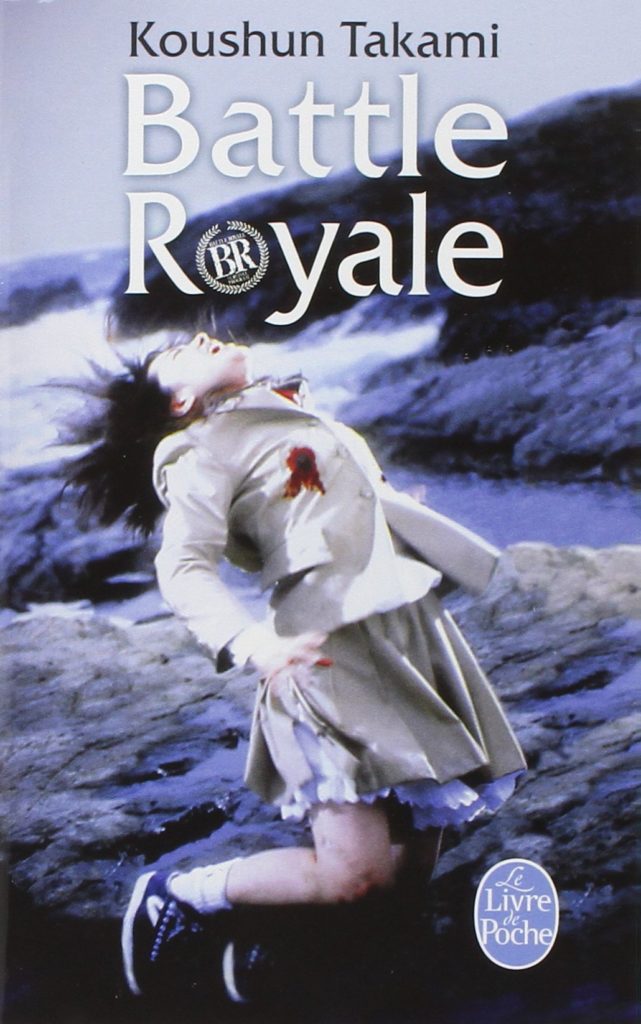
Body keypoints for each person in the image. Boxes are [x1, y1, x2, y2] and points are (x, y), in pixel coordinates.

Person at [64, 331, 526, 1004]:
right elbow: (183, 567)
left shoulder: (284, 408)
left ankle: (285, 948)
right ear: (181, 401)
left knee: (412, 863)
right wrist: (251, 642)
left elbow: (332, 503)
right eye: (177, 354)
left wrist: (388, 510)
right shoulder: (196, 450)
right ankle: (181, 895)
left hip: (407, 631)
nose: (201, 336)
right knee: (356, 878)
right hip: (328, 649)